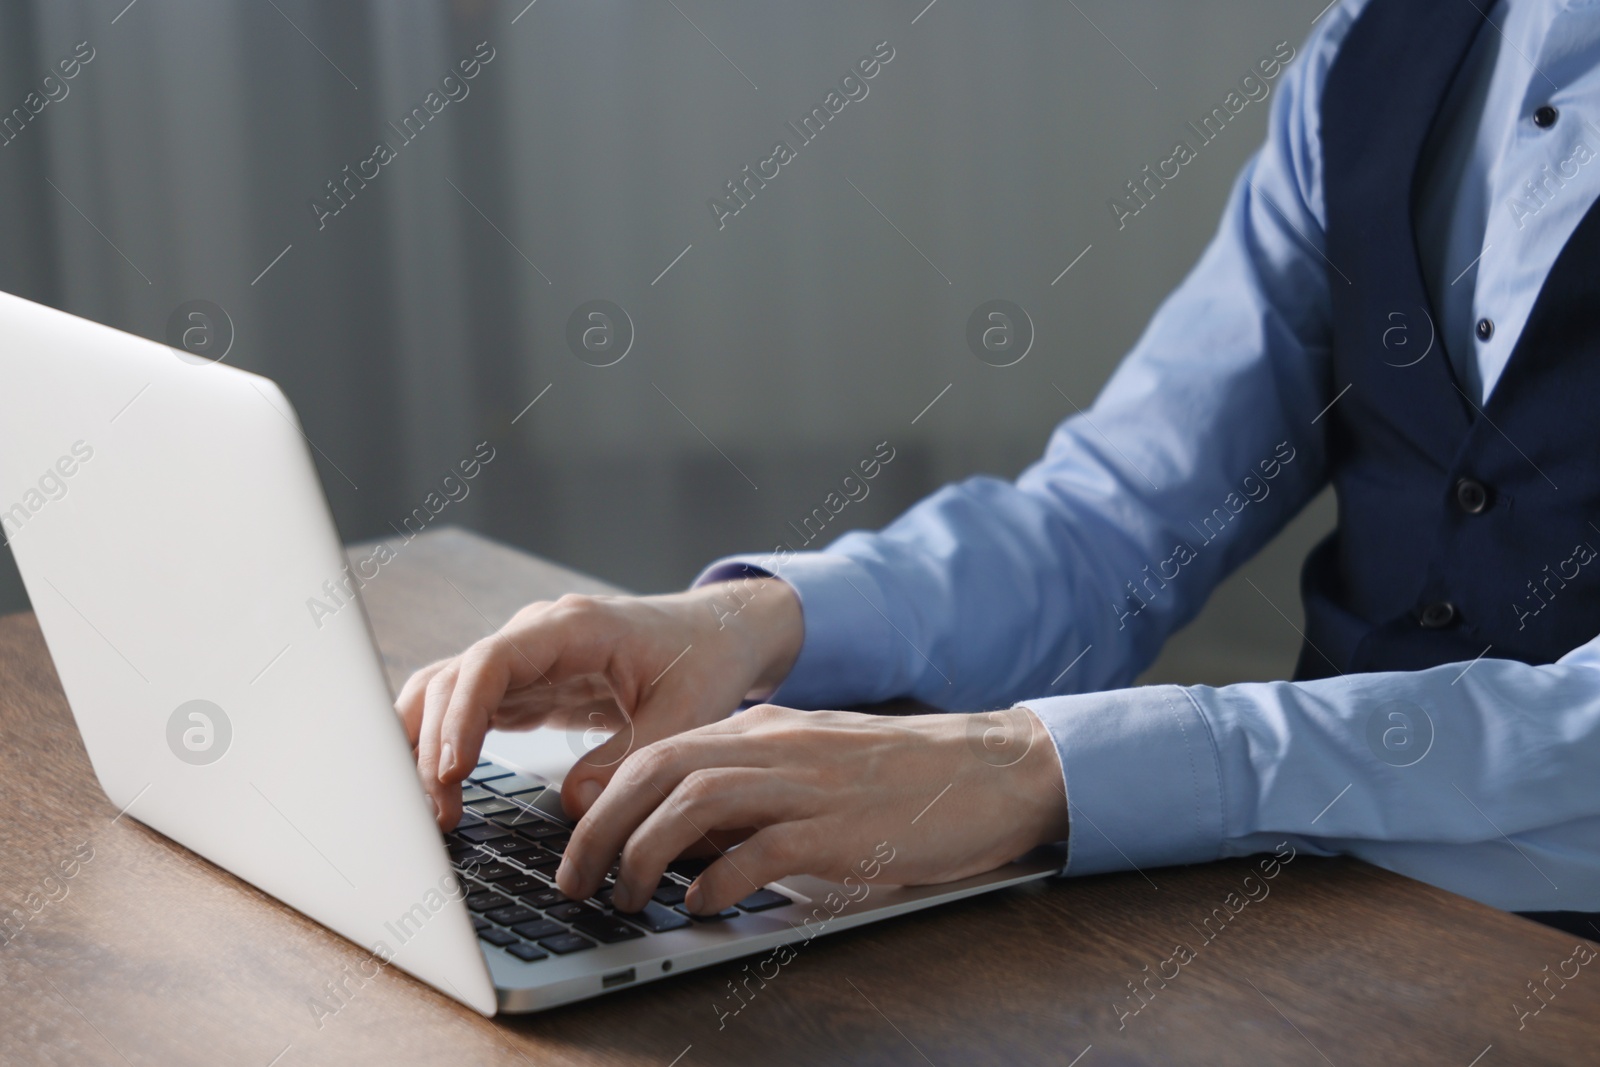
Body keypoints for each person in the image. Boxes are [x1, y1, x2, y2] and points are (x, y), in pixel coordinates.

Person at [397, 0, 1600, 932]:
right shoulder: (1375, 48)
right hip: (1292, 909)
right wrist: (756, 623)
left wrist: (1030, 766)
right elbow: (1118, 516)